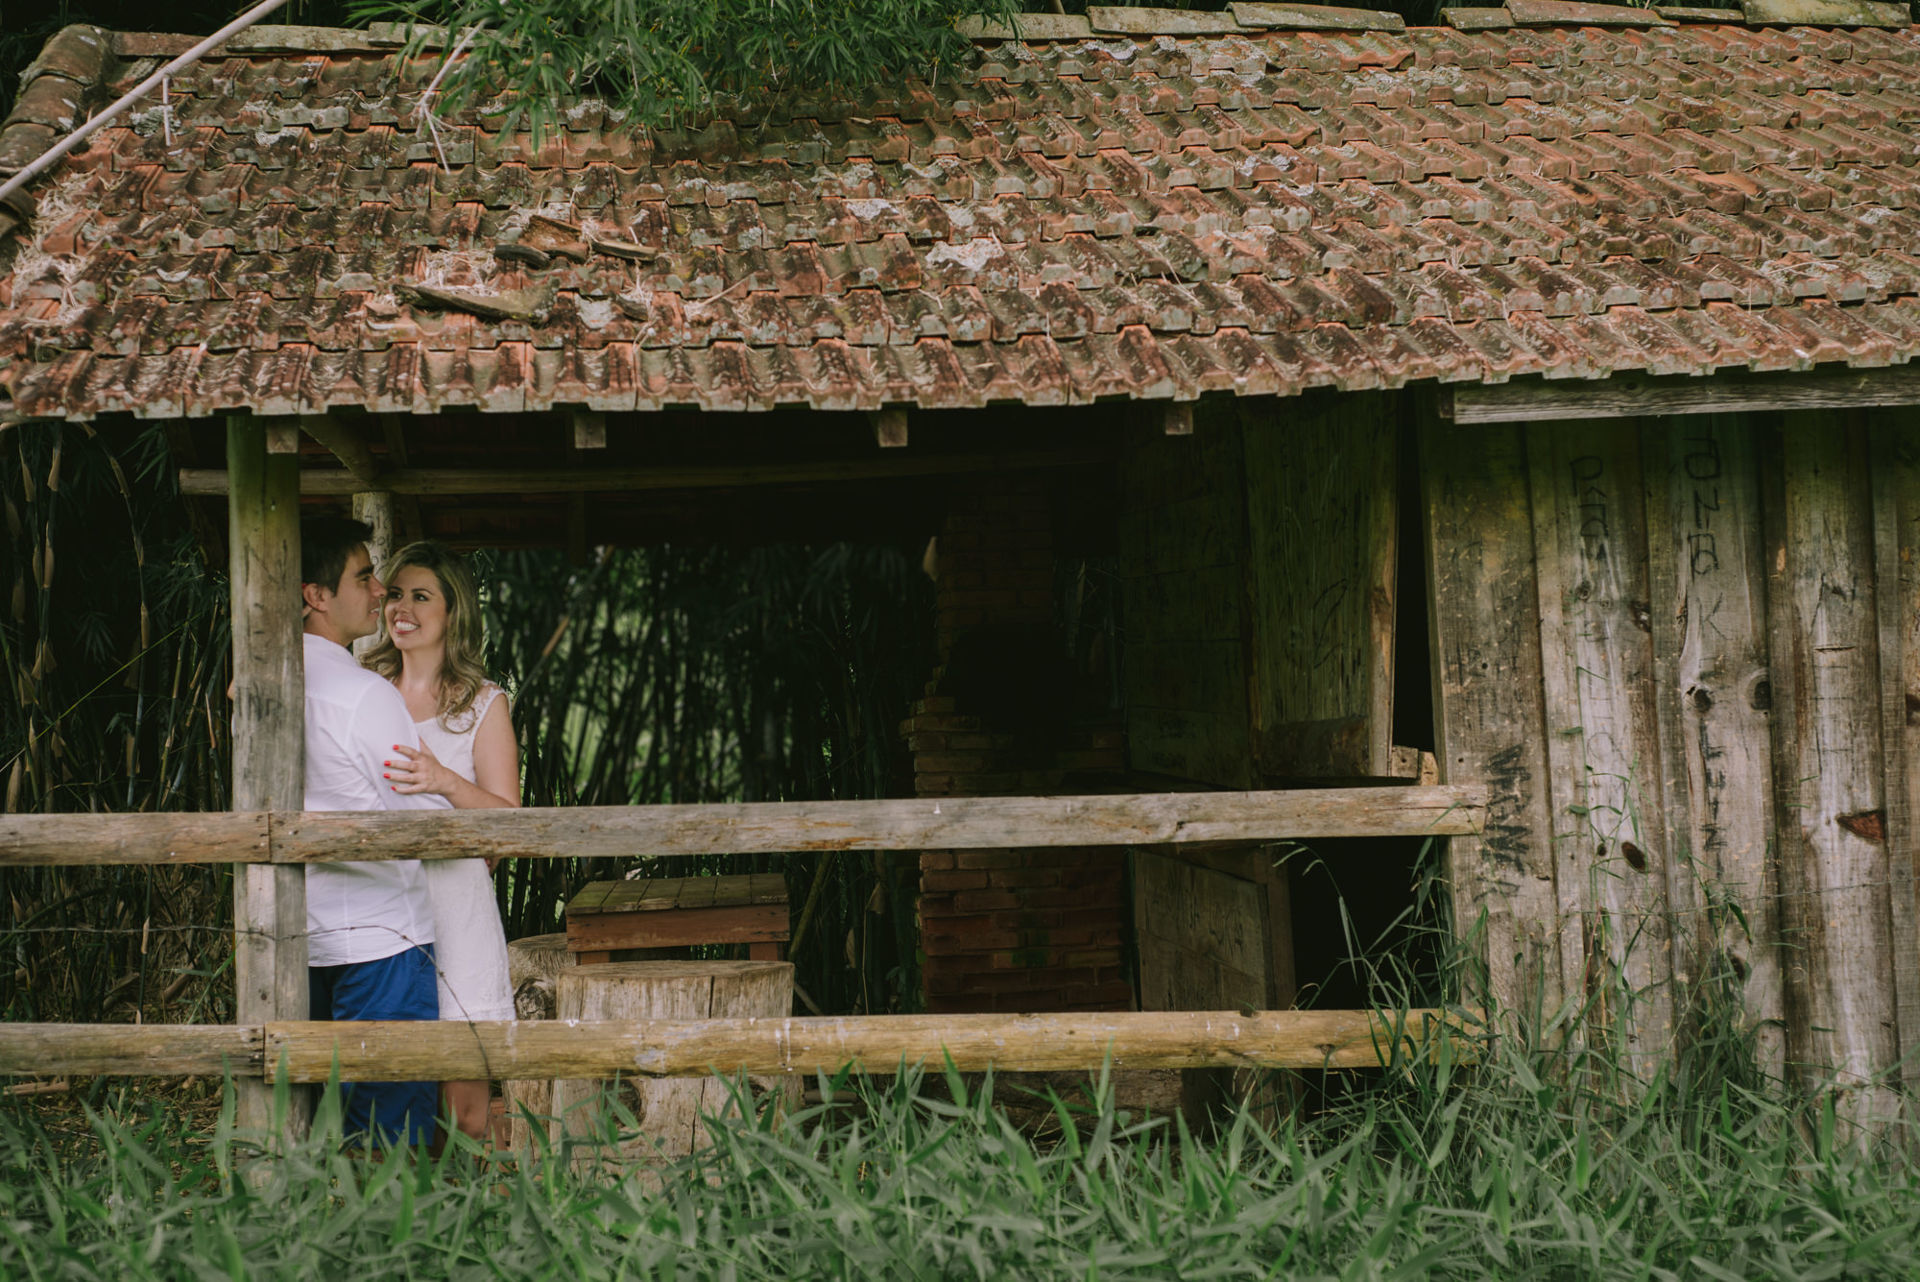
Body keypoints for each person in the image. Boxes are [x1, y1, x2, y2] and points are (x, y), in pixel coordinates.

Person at [361, 540, 518, 1145]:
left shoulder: (484, 703)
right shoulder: (364, 689)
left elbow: (508, 826)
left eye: (420, 596)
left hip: (456, 907)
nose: (402, 607)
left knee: (466, 1112)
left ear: (453, 612)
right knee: (385, 1093)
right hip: (377, 906)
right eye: (394, 594)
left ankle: (467, 1227)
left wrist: (444, 780)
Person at [299, 516, 448, 1147]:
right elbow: (416, 816)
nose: (381, 590)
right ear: (317, 596)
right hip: (383, 939)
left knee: (307, 1127)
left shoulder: (253, 681)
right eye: (363, 577)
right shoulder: (363, 695)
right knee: (391, 1139)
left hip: (300, 935)